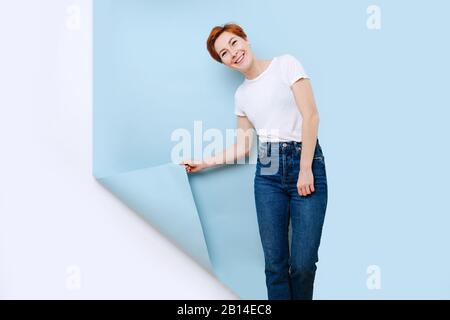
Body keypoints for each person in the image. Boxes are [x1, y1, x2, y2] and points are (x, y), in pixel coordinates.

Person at [180, 23, 328, 300]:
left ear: (245, 39)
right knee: (275, 267)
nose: (233, 53)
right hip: (268, 171)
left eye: (234, 43)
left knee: (303, 266)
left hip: (304, 160)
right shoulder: (242, 96)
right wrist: (203, 162)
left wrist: (305, 168)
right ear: (223, 62)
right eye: (224, 53)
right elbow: (244, 145)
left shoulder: (286, 64)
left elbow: (311, 116)